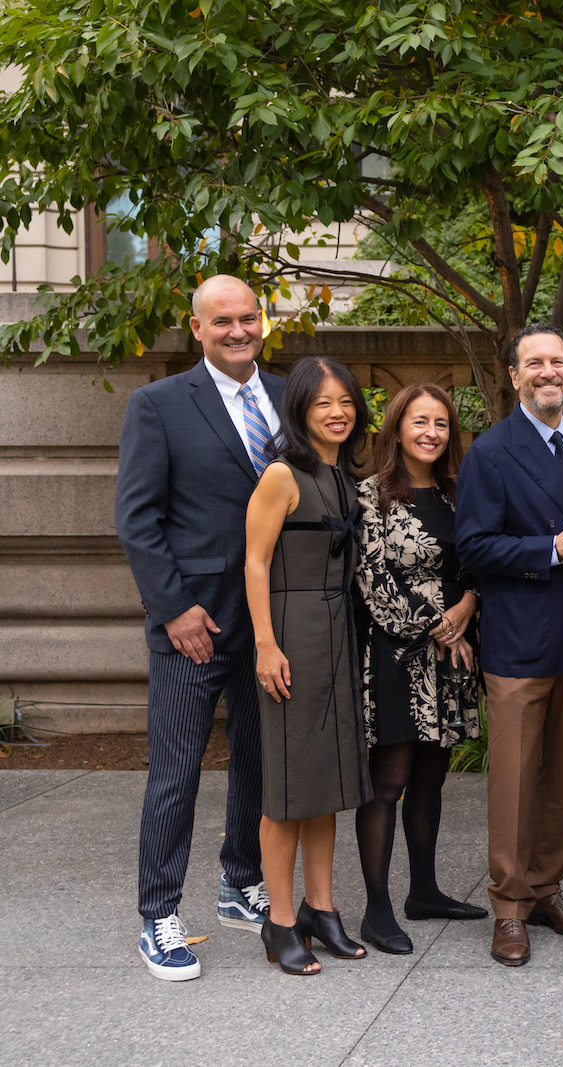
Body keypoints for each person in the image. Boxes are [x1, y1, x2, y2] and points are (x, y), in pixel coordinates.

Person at [116, 274, 280, 981]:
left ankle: (240, 880)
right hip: (192, 623)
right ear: (197, 327)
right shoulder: (157, 404)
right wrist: (173, 607)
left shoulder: (288, 397)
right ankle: (159, 914)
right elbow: (137, 518)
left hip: (267, 622)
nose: (238, 330)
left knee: (257, 759)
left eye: (248, 318)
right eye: (223, 321)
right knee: (176, 773)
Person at [455, 323, 563, 967]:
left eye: (559, 362)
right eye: (534, 363)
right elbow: (473, 547)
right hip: (520, 641)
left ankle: (547, 888)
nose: (549, 372)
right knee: (516, 780)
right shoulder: (491, 452)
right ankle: (510, 906)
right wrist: (553, 548)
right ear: (515, 377)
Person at [244, 356, 373, 975]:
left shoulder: (345, 475)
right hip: (292, 632)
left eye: (346, 400)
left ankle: (322, 910)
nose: (337, 412)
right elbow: (256, 562)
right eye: (323, 402)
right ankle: (281, 921)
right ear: (299, 408)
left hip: (337, 632)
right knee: (289, 789)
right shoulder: (281, 475)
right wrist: (266, 645)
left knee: (327, 784)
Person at [354, 383, 488, 956]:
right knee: (388, 783)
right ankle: (377, 909)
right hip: (397, 655)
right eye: (419, 421)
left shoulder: (463, 494)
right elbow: (372, 583)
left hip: (454, 658)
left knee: (432, 778)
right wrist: (438, 626)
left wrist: (468, 606)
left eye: (440, 422)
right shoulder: (370, 496)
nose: (430, 432)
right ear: (397, 428)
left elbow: (480, 559)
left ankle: (425, 891)